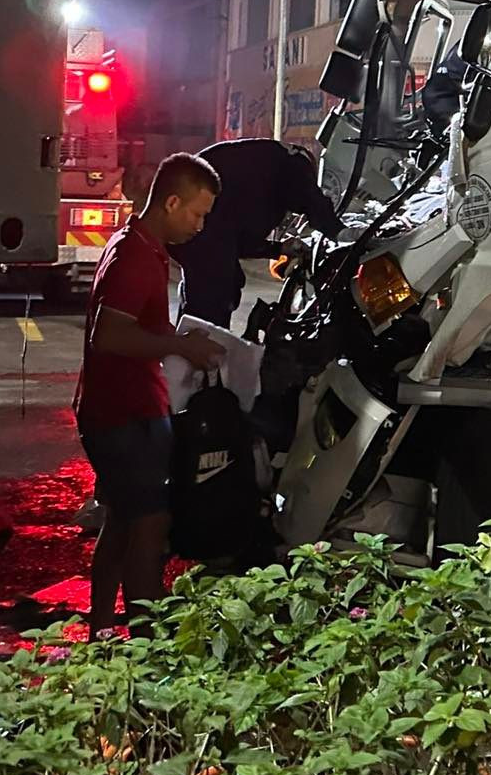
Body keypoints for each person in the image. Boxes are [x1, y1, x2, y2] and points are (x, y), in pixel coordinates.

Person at [75, 153, 224, 636]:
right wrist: (181, 347)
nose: (200, 225)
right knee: (149, 527)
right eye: (197, 214)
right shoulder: (135, 257)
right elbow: (108, 335)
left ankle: (101, 632)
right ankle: (146, 645)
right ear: (172, 202)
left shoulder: (137, 245)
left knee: (122, 520)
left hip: (120, 409)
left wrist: (177, 341)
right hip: (125, 414)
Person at [170, 139, 342, 329]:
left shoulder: (262, 171)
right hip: (196, 217)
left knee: (214, 287)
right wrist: (340, 233)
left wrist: (278, 249)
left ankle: (190, 337)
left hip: (182, 217)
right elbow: (313, 201)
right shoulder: (296, 163)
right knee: (217, 290)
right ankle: (203, 343)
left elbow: (239, 242)